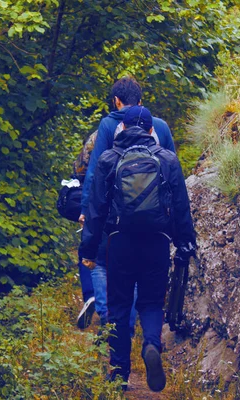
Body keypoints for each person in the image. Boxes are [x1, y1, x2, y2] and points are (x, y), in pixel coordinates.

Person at [79, 106, 196, 392]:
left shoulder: (108, 159)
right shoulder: (167, 159)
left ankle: (119, 374)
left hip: (119, 243)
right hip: (157, 241)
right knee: (151, 303)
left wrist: (88, 251)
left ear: (122, 129)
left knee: (119, 306)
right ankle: (151, 345)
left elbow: (96, 210)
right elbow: (181, 206)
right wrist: (185, 242)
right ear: (151, 130)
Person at [79, 76, 175, 328]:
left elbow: (94, 172)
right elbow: (173, 172)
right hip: (156, 220)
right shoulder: (160, 127)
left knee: (102, 262)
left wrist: (86, 210)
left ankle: (113, 323)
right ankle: (134, 327)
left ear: (115, 101)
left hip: (115, 219)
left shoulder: (109, 126)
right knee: (139, 271)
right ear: (141, 101)